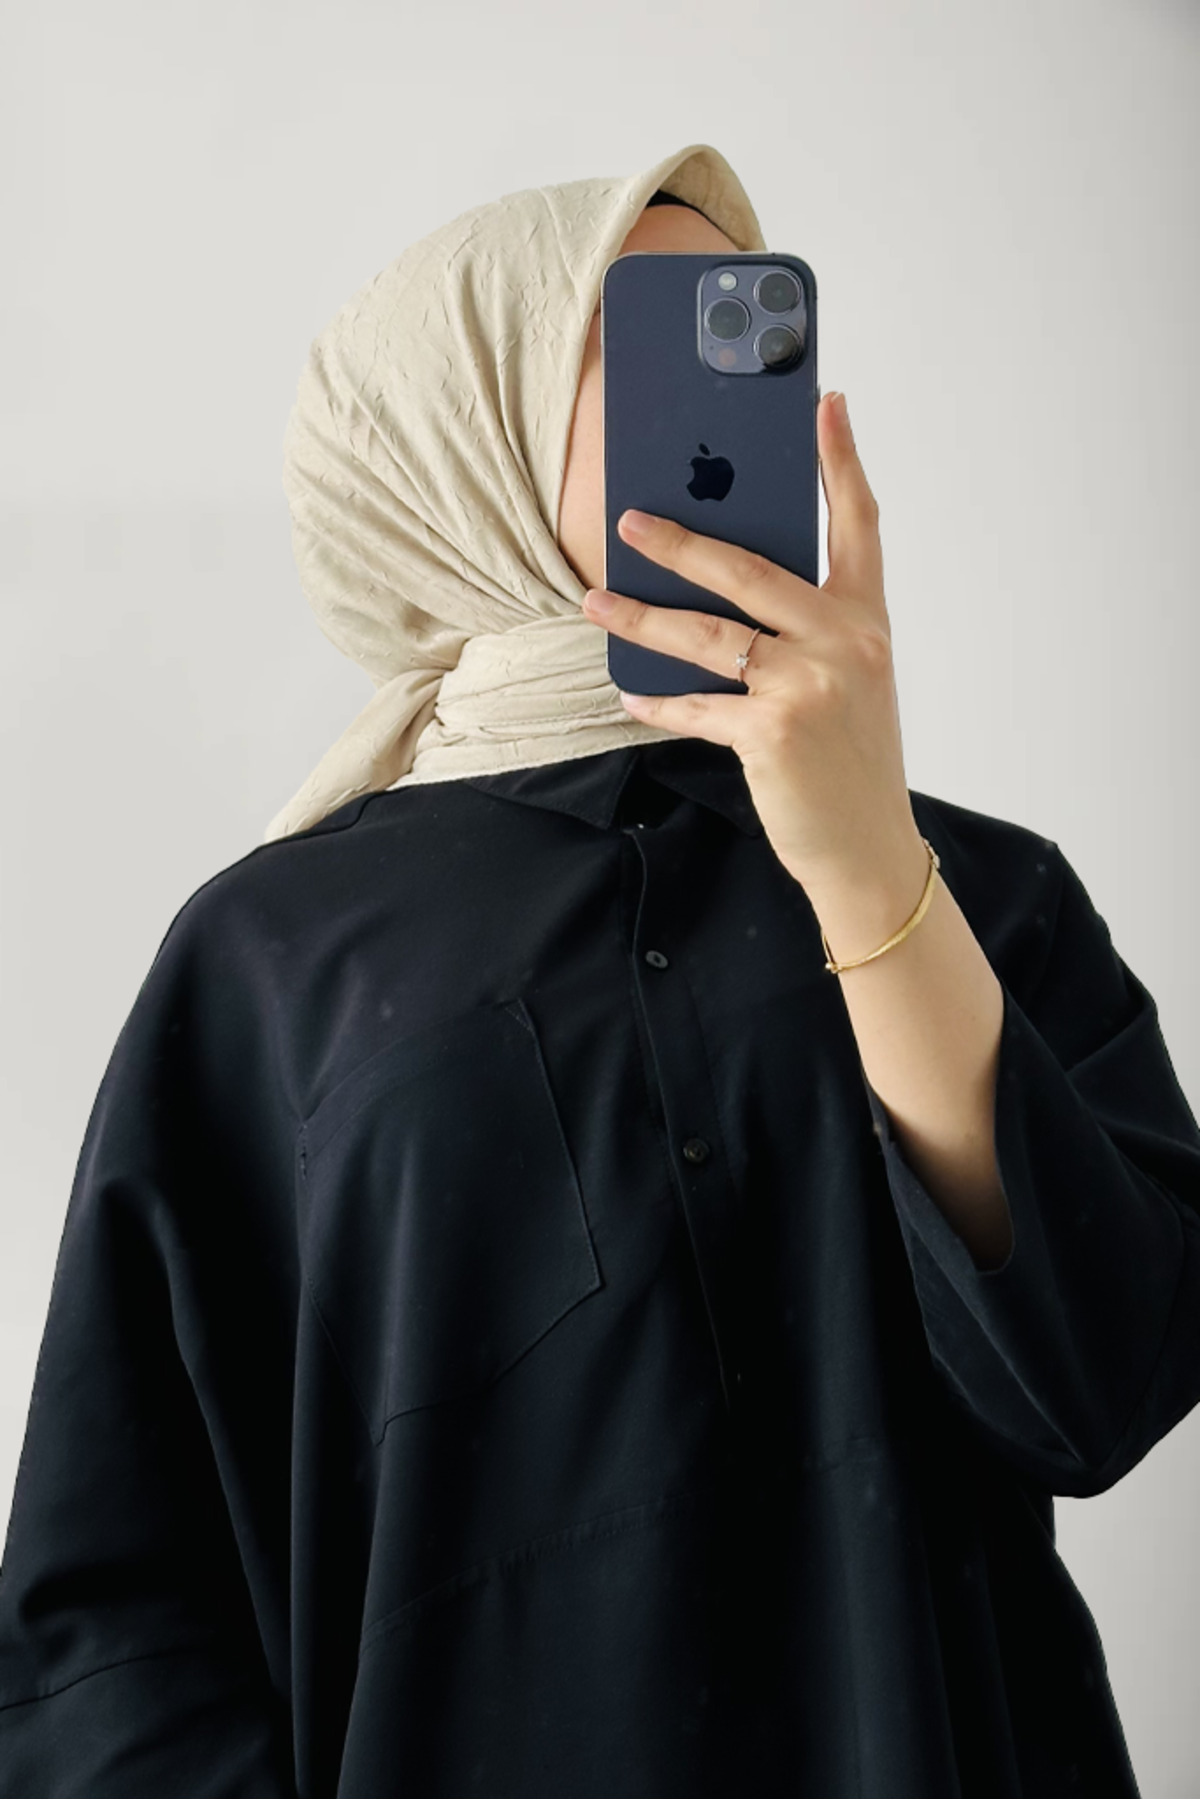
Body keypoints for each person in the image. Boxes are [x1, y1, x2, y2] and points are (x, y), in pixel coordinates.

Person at [0, 141, 1197, 1799]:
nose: (739, 381)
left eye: (756, 326)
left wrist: (867, 866)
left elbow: (1105, 1388)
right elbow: (122, 1613)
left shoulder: (980, 889)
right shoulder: (270, 958)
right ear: (460, 427)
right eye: (647, 336)